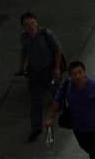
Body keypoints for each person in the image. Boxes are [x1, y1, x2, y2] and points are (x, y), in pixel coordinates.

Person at [45, 61, 95, 159]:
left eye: (80, 72)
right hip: (78, 127)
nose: (78, 76)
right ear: (70, 76)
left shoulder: (94, 86)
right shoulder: (67, 85)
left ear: (85, 72)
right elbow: (57, 100)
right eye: (74, 74)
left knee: (94, 152)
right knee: (85, 147)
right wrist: (51, 117)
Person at [18, 12, 64, 143]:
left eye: (32, 23)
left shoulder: (46, 34)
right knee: (35, 102)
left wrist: (57, 68)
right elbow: (24, 51)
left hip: (49, 70)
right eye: (27, 25)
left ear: (36, 22)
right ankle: (36, 128)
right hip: (34, 73)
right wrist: (21, 66)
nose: (30, 27)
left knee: (56, 91)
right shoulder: (24, 37)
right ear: (23, 27)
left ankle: (61, 104)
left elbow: (58, 49)